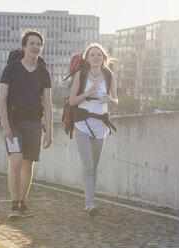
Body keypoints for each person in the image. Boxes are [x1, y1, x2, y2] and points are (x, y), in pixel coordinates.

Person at [0, 30, 53, 219]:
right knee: (16, 159)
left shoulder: (44, 73)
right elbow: (2, 99)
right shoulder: (11, 69)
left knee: (28, 164)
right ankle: (14, 205)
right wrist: (6, 126)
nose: (35, 47)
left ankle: (22, 204)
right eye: (32, 43)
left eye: (39, 44)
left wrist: (49, 130)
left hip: (34, 122)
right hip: (13, 121)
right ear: (24, 47)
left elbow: (47, 102)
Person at [69, 43, 118, 216]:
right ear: (87, 58)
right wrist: (87, 92)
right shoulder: (81, 75)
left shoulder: (109, 75)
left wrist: (109, 99)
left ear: (104, 58)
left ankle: (90, 202)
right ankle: (90, 204)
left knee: (94, 167)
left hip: (100, 125)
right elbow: (72, 101)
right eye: (92, 55)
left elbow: (116, 100)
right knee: (88, 166)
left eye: (99, 54)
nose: (96, 57)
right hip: (82, 123)